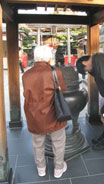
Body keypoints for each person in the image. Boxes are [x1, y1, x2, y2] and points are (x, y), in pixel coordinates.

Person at [22, 45, 67, 178]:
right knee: (58, 141)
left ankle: (41, 168)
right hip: (54, 112)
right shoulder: (56, 72)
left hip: (34, 113)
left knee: (37, 142)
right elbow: (62, 89)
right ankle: (58, 168)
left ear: (35, 57)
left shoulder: (26, 74)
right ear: (49, 57)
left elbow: (27, 94)